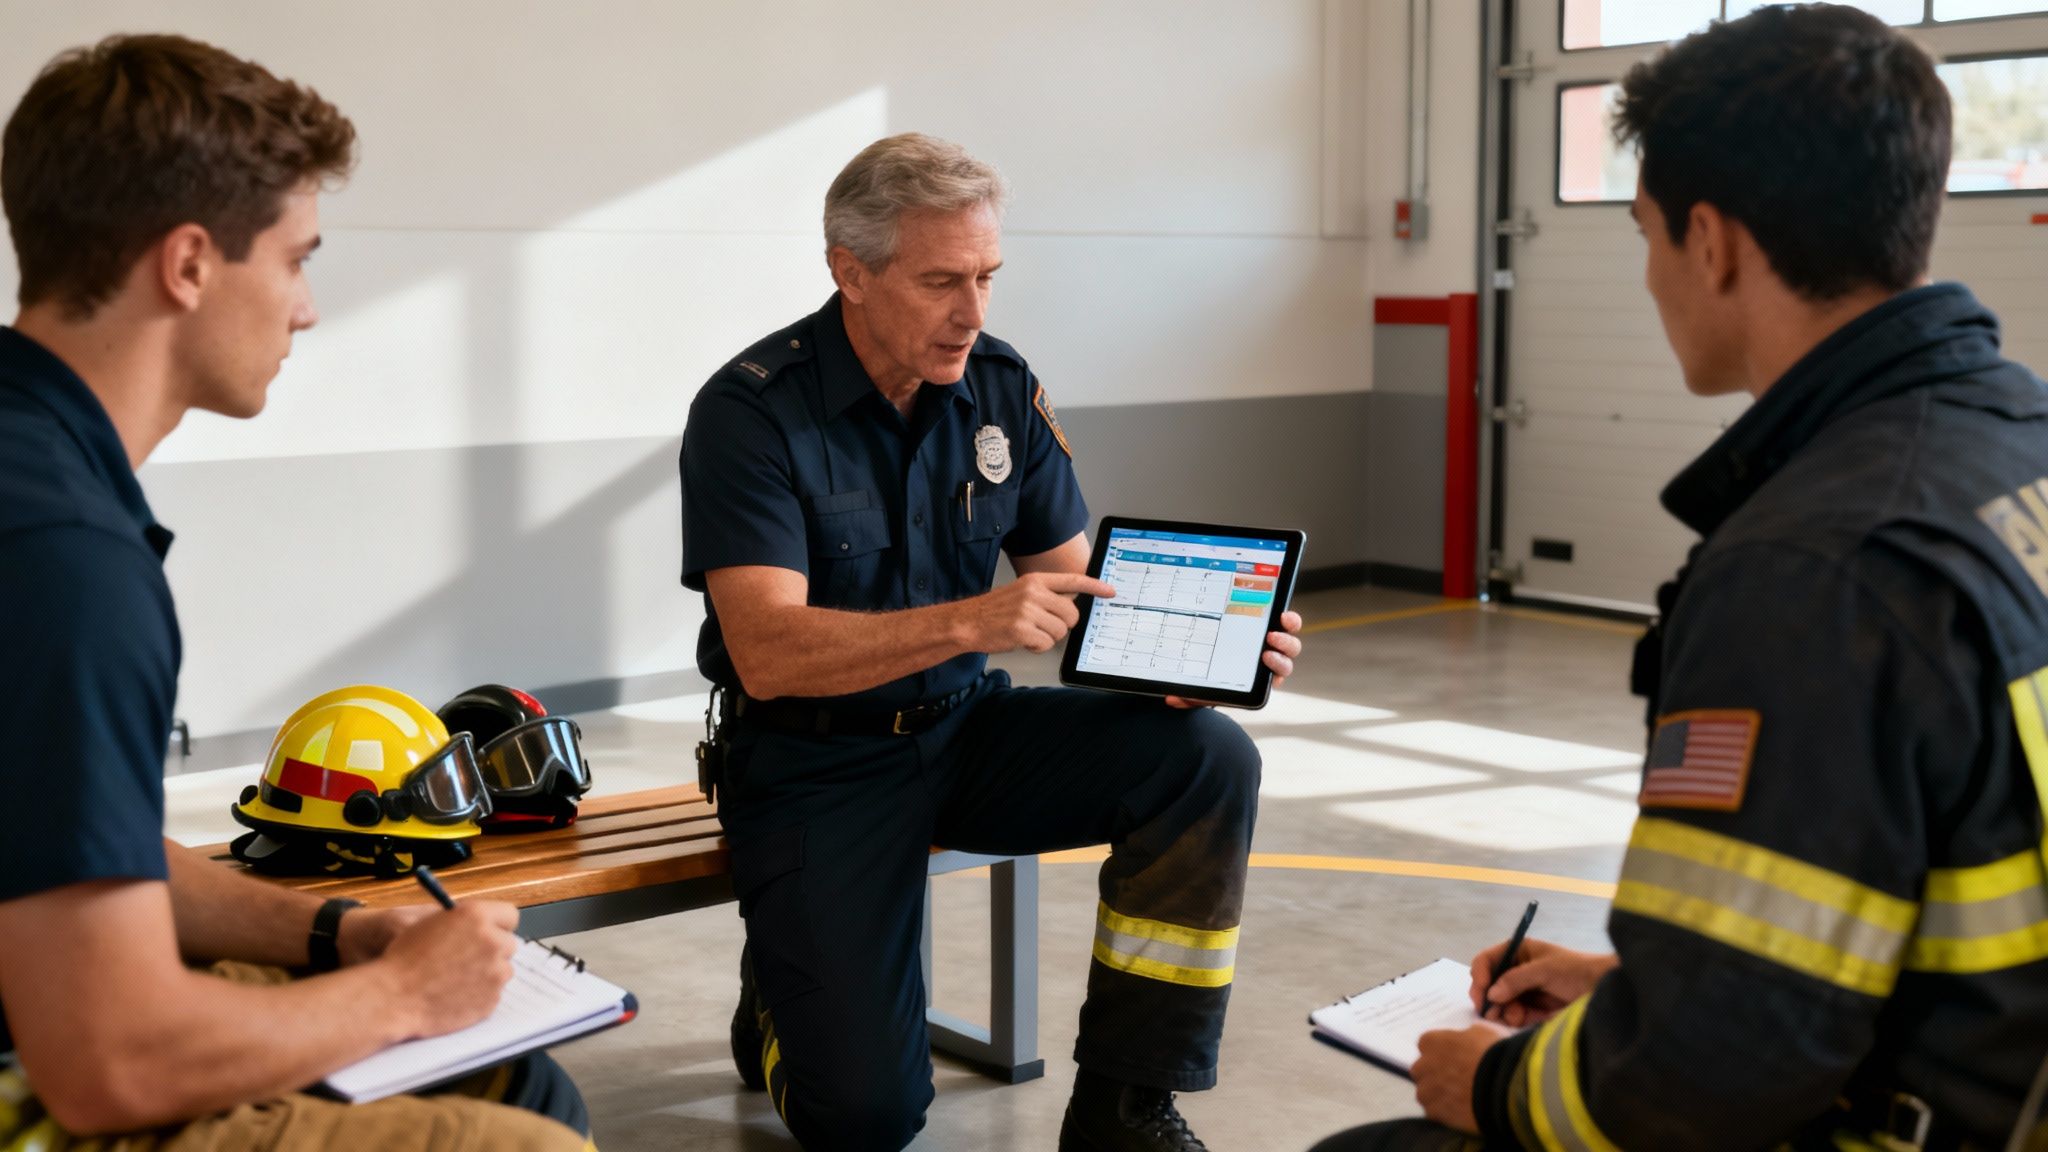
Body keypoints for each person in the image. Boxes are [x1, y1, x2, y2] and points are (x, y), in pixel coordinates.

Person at [1313, 6, 2048, 1150]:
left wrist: (1494, 1087)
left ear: (1710, 243)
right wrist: (1637, 984)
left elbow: (1715, 1072)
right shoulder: (2017, 441)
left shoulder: (1806, 573)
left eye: (1644, 233)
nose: (1651, 275)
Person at [0, 35, 592, 1151]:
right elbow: (108, 1063)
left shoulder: (32, 456)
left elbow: (85, 846)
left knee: (517, 1073)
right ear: (187, 265)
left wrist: (338, 936)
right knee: (533, 1143)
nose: (307, 309)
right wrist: (406, 995)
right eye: (295, 258)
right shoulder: (64, 559)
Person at [679, 132, 1305, 1152]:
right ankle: (779, 1010)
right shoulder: (751, 415)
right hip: (812, 762)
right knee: (870, 1118)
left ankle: (1123, 1107)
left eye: (985, 277)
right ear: (851, 271)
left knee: (1205, 758)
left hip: (965, 729)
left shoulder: (998, 386)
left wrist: (1198, 653)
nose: (972, 313)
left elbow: (1071, 583)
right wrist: (973, 619)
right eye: (940, 282)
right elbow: (767, 652)